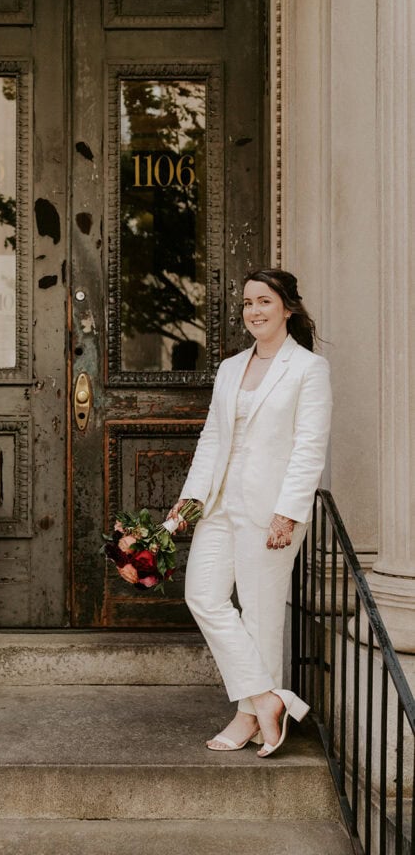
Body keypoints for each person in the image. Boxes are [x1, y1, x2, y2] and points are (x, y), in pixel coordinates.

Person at [167, 269, 332, 757]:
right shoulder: (230, 367)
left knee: (260, 616)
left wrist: (288, 511)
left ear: (287, 308)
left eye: (264, 301)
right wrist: (191, 498)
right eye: (247, 303)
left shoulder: (308, 369)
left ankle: (248, 717)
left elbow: (309, 446)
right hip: (219, 503)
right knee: (203, 596)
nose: (254, 311)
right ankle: (267, 700)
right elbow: (213, 437)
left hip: (271, 508)